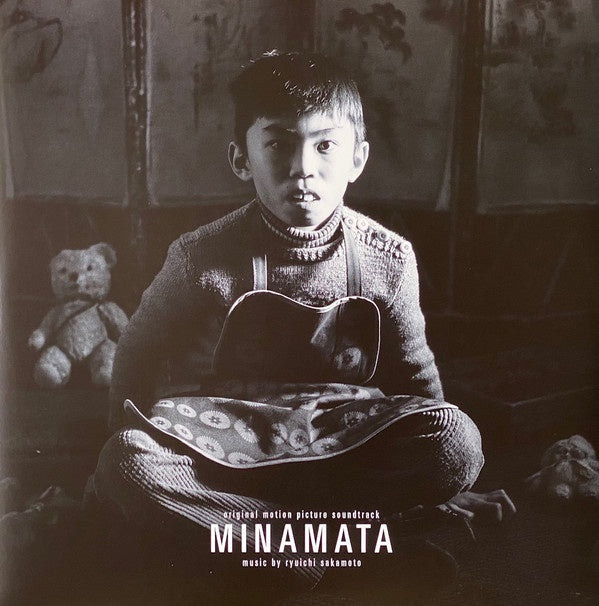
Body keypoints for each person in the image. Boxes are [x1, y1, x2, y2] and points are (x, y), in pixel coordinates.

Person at [92, 51, 512, 603]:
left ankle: (255, 543)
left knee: (457, 441)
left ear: (358, 158)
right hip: (227, 449)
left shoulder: (389, 257)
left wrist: (449, 483)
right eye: (279, 144)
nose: (303, 168)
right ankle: (348, 546)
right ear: (241, 159)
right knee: (126, 462)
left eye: (325, 146)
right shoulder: (200, 257)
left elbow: (414, 372)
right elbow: (137, 350)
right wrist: (122, 449)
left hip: (338, 444)